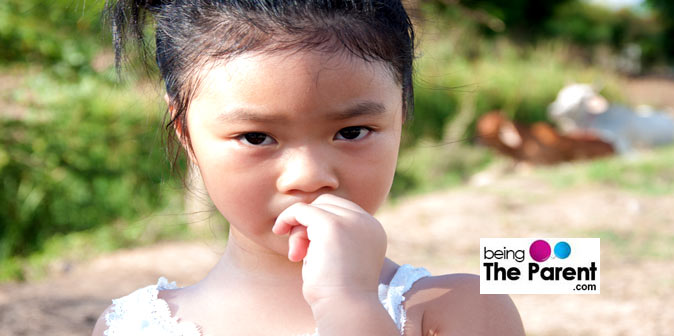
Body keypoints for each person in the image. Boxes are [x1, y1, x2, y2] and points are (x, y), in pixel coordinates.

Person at [92, 1, 524, 335]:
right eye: (257, 137)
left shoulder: (457, 309)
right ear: (185, 133)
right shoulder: (130, 325)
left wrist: (349, 306)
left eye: (352, 131)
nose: (310, 176)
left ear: (401, 116)